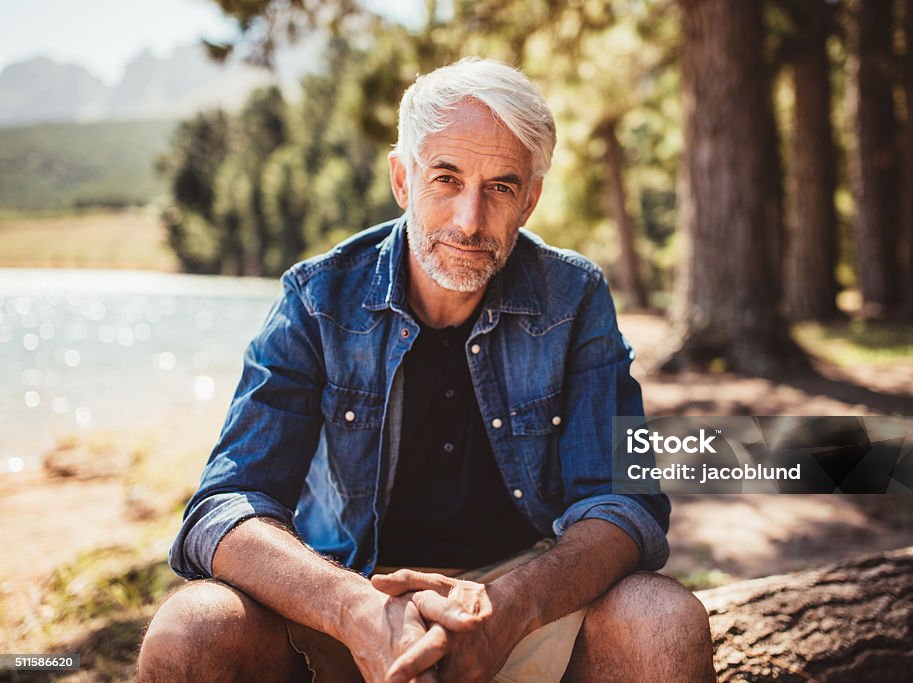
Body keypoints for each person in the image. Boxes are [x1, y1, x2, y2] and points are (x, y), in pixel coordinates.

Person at [138, 57, 714, 683]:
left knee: (664, 621)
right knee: (191, 630)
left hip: (522, 601)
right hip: (347, 595)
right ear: (402, 179)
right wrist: (355, 609)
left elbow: (623, 502)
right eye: (446, 178)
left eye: (500, 186)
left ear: (530, 200)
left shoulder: (574, 298)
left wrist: (508, 609)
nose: (470, 221)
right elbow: (225, 506)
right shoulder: (316, 299)